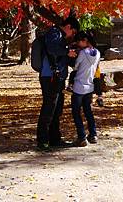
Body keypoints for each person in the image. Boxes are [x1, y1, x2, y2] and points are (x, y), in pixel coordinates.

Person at [36, 16, 80, 151]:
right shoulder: (54, 33)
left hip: (59, 77)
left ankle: (54, 139)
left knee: (57, 109)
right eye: (73, 32)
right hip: (49, 77)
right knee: (49, 108)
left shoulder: (61, 37)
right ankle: (42, 141)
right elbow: (52, 49)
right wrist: (67, 51)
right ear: (68, 27)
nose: (72, 35)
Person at [71, 30, 100, 147]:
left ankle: (82, 137)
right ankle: (93, 134)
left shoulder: (83, 53)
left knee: (76, 112)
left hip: (79, 86)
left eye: (79, 41)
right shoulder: (97, 52)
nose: (78, 43)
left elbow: (75, 66)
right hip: (90, 86)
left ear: (85, 41)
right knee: (88, 111)